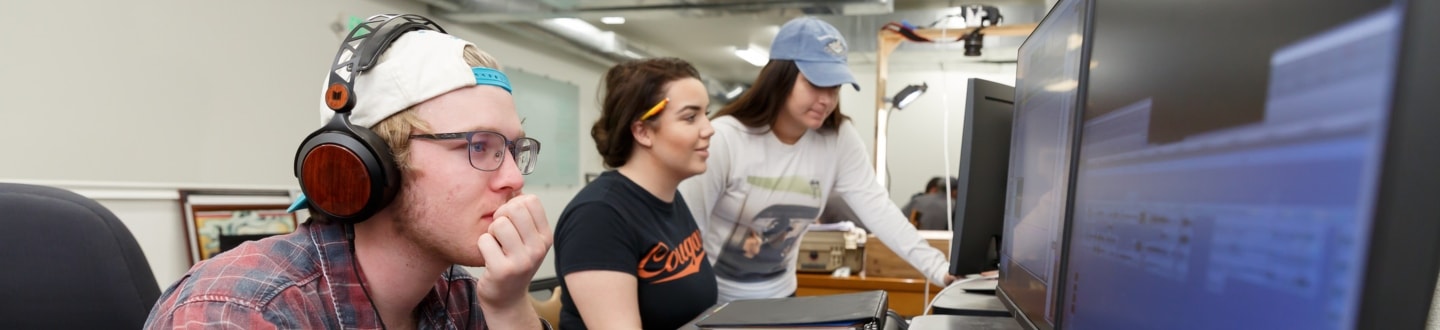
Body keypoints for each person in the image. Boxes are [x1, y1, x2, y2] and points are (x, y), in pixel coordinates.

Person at [145, 15, 553, 329]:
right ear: (376, 163)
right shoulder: (238, 312)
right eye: (479, 146)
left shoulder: (460, 296)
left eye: (513, 150)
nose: (514, 179)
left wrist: (511, 307)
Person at [678, 16, 954, 303]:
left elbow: (879, 210)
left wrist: (941, 270)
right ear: (780, 77)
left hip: (781, 298)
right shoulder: (725, 138)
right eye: (815, 83)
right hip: (716, 300)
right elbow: (686, 235)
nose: (826, 99)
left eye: (834, 87)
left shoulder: (838, 138)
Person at [554, 58, 718, 329]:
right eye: (690, 117)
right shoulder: (598, 217)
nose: (709, 129)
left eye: (706, 115)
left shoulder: (670, 199)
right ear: (642, 131)